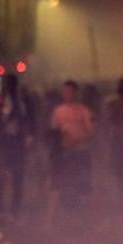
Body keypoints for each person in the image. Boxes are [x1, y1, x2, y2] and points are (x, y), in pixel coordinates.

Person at [48, 80, 94, 224]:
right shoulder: (58, 111)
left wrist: (77, 139)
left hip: (81, 151)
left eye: (70, 91)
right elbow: (53, 133)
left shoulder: (84, 110)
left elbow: (91, 131)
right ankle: (51, 221)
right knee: (56, 185)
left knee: (85, 186)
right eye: (65, 91)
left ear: (75, 92)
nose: (67, 94)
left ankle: (89, 220)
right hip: (64, 154)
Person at [0, 75, 34, 219]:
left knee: (17, 177)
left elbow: (28, 120)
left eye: (10, 84)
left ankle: (14, 208)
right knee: (0, 177)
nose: (8, 87)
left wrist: (28, 136)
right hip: (3, 143)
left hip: (17, 143)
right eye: (6, 84)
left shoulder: (21, 101)